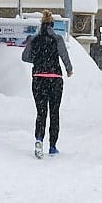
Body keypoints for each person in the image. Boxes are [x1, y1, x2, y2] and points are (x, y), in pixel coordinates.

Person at [21, 10, 73, 159]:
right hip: (55, 79)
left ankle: (39, 140)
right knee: (54, 113)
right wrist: (69, 69)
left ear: (41, 25)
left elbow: (25, 57)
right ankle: (52, 146)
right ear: (52, 25)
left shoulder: (34, 39)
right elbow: (64, 56)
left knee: (41, 112)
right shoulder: (57, 39)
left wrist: (38, 60)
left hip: (38, 79)